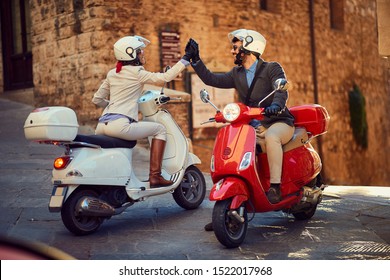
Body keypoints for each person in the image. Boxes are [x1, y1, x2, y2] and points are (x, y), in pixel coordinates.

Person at [186, 29, 295, 204]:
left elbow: (281, 91)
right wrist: (196, 60)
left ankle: (275, 186)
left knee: (272, 137)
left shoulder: (271, 68)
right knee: (233, 143)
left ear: (249, 47)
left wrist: (276, 105)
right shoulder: (236, 74)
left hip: (278, 121)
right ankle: (232, 199)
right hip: (253, 124)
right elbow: (212, 79)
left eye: (235, 47)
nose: (232, 51)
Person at [92, 35, 195, 188]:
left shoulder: (112, 73)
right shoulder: (137, 72)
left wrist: (114, 108)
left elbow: (97, 100)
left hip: (102, 126)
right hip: (120, 126)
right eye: (140, 51)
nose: (142, 54)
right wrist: (185, 59)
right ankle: (155, 176)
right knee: (160, 129)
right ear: (131, 54)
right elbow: (165, 77)